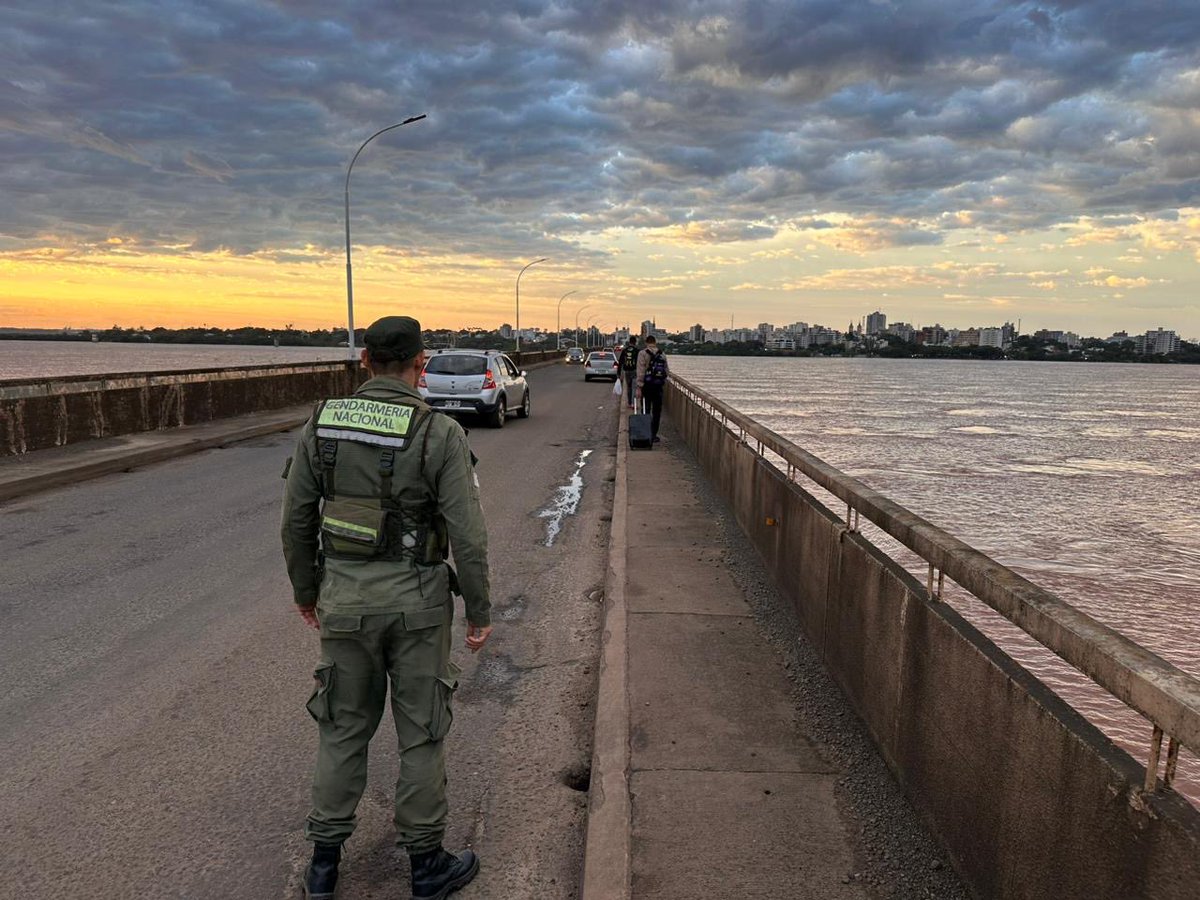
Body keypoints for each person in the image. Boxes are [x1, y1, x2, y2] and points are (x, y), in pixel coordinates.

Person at [281, 315, 492, 900]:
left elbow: (296, 519)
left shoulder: (321, 425)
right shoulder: (438, 432)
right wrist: (479, 611)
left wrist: (306, 592)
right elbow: (468, 535)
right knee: (421, 731)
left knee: (342, 727)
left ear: (366, 361)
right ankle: (426, 866)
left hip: (344, 602)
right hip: (419, 607)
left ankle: (323, 868)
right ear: (420, 363)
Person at [635, 334, 669, 443]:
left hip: (646, 386)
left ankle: (646, 434)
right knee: (657, 411)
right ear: (655, 342)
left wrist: (639, 387)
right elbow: (667, 371)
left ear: (646, 342)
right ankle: (654, 435)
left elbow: (640, 372)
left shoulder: (642, 353)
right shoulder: (662, 354)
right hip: (658, 387)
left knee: (646, 409)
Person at [618, 335, 639, 409]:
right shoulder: (637, 351)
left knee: (629, 387)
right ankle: (633, 403)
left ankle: (629, 403)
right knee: (634, 387)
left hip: (626, 371)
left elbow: (620, 362)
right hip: (634, 371)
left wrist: (619, 373)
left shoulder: (624, 350)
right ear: (635, 342)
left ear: (629, 342)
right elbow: (639, 363)